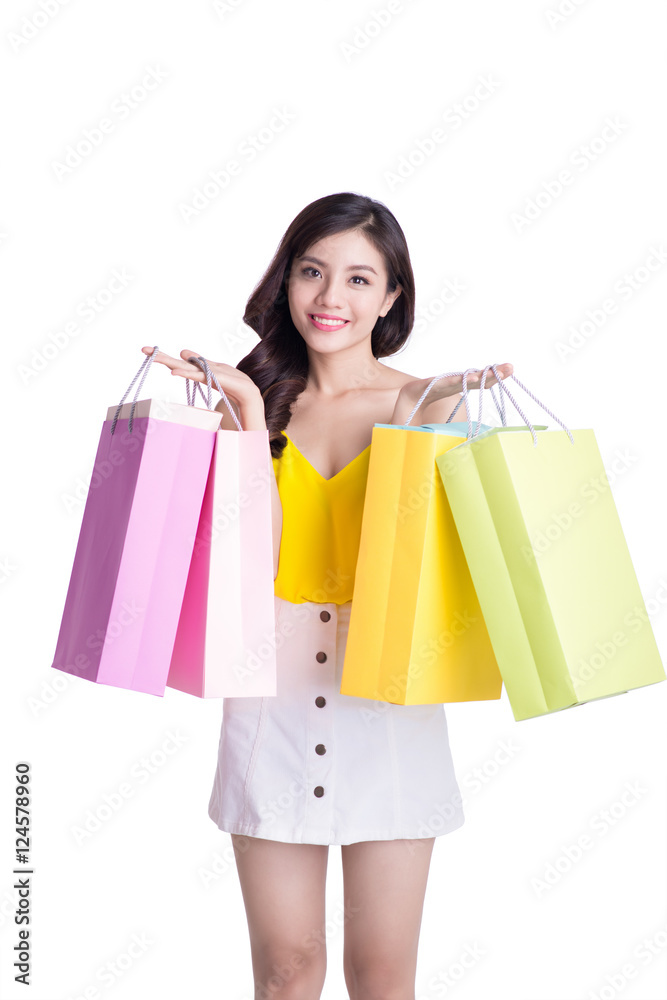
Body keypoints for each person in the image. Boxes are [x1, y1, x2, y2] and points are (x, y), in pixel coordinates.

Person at [142, 191, 512, 1000]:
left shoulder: (427, 402)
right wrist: (242, 418)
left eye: (355, 278)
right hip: (271, 700)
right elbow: (254, 561)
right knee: (286, 972)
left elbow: (435, 570)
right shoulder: (254, 396)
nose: (329, 298)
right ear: (286, 283)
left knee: (381, 976)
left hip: (388, 700)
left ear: (390, 298)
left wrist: (436, 430)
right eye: (311, 272)